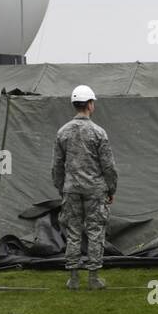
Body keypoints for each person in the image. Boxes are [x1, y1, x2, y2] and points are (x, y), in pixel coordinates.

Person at [53, 85, 118, 290]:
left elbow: (57, 165)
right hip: (95, 189)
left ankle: (73, 278)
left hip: (71, 189)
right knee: (95, 231)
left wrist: (62, 188)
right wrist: (111, 189)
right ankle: (93, 278)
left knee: (72, 232)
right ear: (90, 104)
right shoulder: (98, 132)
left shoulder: (62, 132)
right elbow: (108, 166)